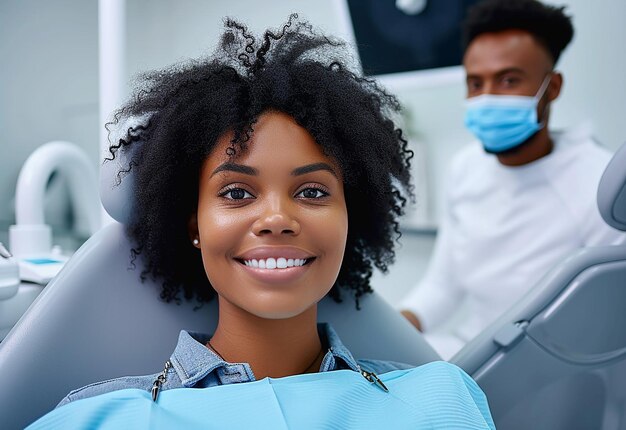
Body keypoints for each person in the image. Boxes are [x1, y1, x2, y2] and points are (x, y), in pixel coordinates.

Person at [28, 16, 495, 429]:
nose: (276, 218)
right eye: (236, 193)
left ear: (350, 218)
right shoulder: (98, 419)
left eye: (312, 192)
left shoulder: (441, 400)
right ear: (193, 223)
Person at [400, 0, 625, 359]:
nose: (487, 97)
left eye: (508, 80)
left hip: (555, 366)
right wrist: (390, 329)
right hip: (471, 349)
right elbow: (443, 285)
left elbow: (606, 325)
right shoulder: (465, 169)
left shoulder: (599, 183)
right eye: (475, 83)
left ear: (552, 88)